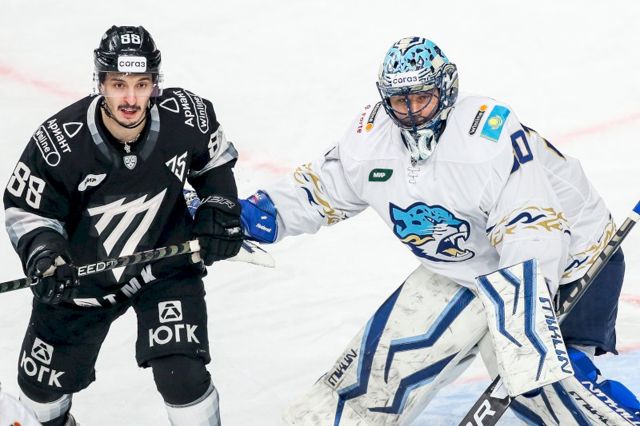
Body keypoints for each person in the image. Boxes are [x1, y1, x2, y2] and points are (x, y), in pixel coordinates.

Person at [240, 37, 640, 424]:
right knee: (379, 372)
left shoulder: (486, 136)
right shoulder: (370, 139)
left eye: (422, 98)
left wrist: (523, 323)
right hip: (463, 266)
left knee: (549, 388)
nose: (412, 112)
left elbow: (532, 227)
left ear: (446, 88)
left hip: (568, 262)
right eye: (400, 101)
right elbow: (321, 188)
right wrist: (257, 214)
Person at [3, 25, 243, 426]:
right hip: (78, 284)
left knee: (182, 376)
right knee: (40, 398)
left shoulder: (186, 117)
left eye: (141, 84)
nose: (130, 99)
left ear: (155, 84)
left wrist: (220, 205)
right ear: (100, 83)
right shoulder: (59, 142)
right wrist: (45, 254)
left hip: (162, 269)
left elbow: (213, 163)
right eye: (118, 84)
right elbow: (27, 210)